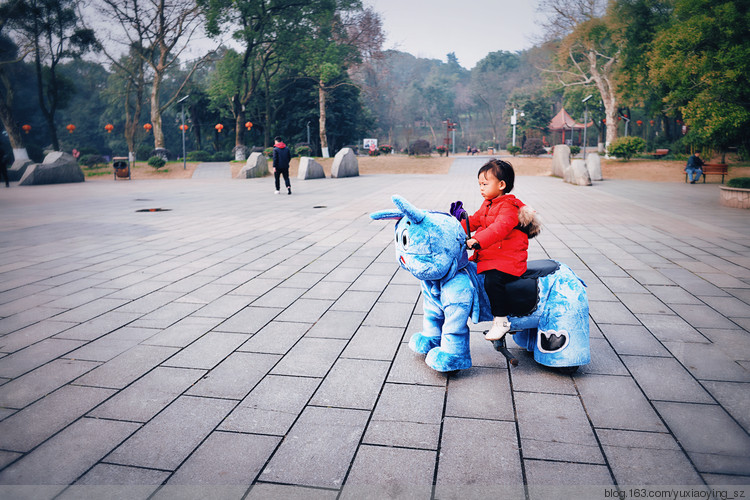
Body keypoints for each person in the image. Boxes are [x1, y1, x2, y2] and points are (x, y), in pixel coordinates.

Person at [465, 159, 537, 341]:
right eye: (479, 184)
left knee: (492, 281)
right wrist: (454, 229)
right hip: (493, 256)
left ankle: (501, 321)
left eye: (485, 184)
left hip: (508, 260)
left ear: (501, 185)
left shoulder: (508, 207)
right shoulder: (488, 204)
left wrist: (477, 240)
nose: (481, 188)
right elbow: (474, 220)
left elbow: (499, 228)